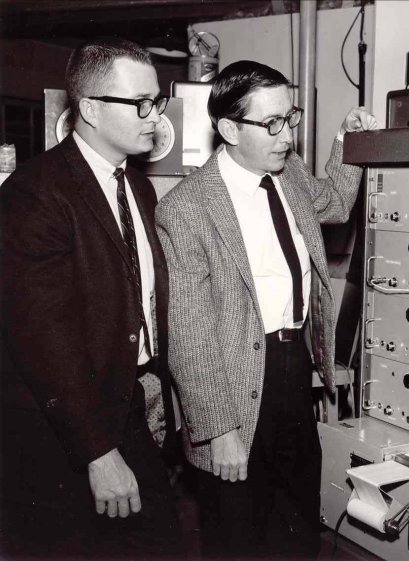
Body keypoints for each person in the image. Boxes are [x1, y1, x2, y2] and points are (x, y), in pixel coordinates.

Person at [156, 59, 377, 558]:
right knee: (238, 536)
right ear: (229, 128)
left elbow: (335, 206)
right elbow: (189, 333)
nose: (288, 136)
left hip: (292, 371)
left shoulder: (288, 172)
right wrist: (219, 431)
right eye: (272, 123)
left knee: (298, 522)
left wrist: (345, 142)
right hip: (229, 387)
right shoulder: (186, 209)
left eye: (290, 117)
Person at [0, 38, 182, 559]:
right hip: (65, 431)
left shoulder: (138, 188)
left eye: (158, 101)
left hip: (127, 408)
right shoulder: (34, 194)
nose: (155, 117)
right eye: (141, 104)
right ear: (90, 110)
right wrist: (99, 453)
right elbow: (43, 338)